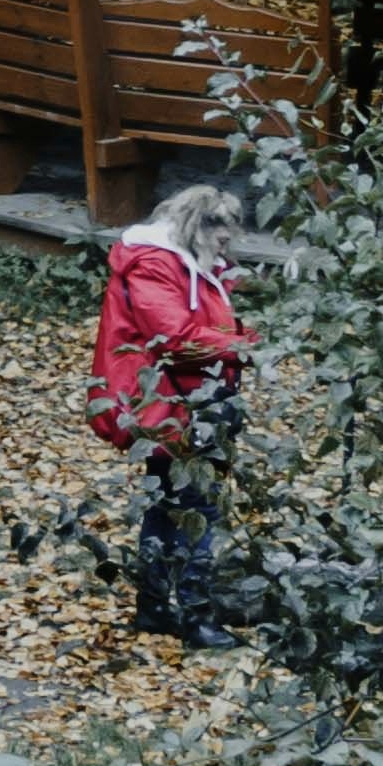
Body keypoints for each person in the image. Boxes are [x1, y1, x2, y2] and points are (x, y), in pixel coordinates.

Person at [92, 178, 255, 640]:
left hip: (182, 400)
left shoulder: (187, 265)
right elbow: (176, 339)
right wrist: (242, 345)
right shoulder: (156, 266)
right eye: (220, 235)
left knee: (167, 505)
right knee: (195, 506)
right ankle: (194, 616)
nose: (227, 245)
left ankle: (156, 607)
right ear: (194, 226)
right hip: (171, 403)